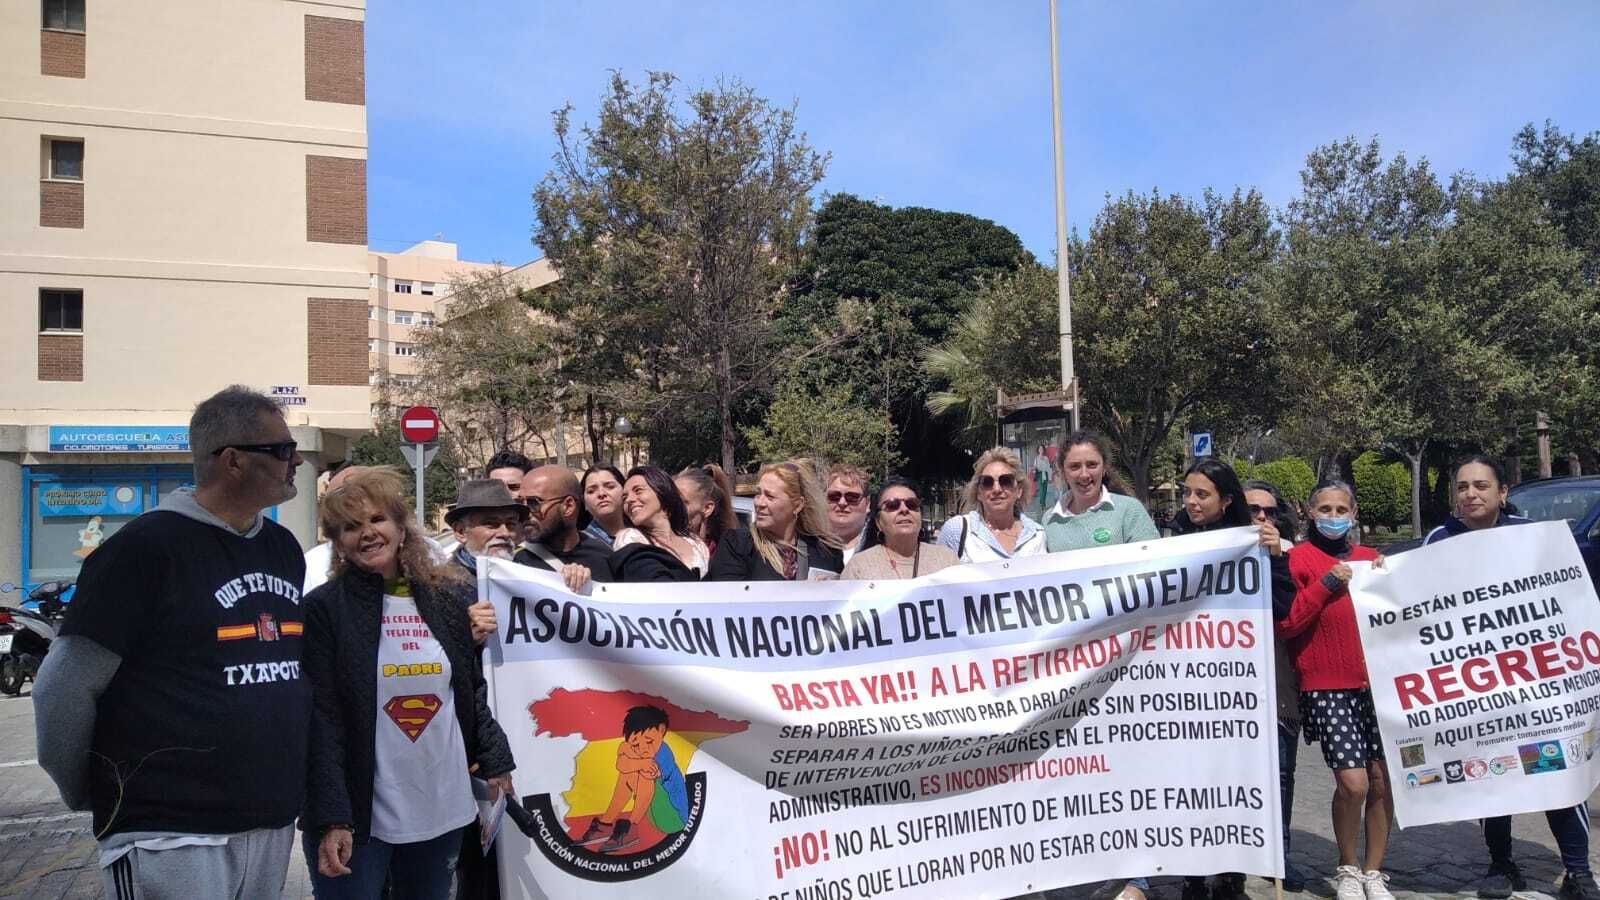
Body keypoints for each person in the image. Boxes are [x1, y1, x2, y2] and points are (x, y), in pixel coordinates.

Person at [34, 386, 310, 898]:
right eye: (281, 450)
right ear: (232, 461)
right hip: (170, 831)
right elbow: (63, 688)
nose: (295, 461)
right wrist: (97, 790)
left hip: (267, 821)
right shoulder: (142, 550)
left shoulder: (282, 547)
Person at [302, 468, 515, 900]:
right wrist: (332, 816)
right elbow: (320, 719)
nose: (367, 533)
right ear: (337, 542)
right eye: (351, 526)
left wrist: (495, 758)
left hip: (439, 807)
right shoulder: (323, 609)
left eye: (377, 519)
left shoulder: (445, 597)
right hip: (360, 819)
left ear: (401, 527)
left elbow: (469, 689)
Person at [1422, 456, 1596, 900]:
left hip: (1535, 683)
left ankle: (1578, 871)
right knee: (1491, 775)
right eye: (1462, 486)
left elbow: (1566, 598)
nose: (1471, 494)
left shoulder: (1534, 536)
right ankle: (1500, 864)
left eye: (1481, 485)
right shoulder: (1439, 540)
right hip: (1479, 686)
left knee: (1557, 771)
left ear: (1503, 493)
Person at [1277, 480, 1391, 900]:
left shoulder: (1370, 559)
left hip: (1377, 686)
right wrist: (1325, 584)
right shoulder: (1298, 560)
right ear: (1310, 512)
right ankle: (1347, 865)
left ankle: (1374, 871)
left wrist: (1388, 576)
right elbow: (1288, 623)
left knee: (1380, 781)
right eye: (1325, 509)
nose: (1333, 516)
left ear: (1354, 513)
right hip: (1326, 687)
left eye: (1341, 509)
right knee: (1353, 782)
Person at [1244, 479, 1307, 894]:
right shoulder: (1210, 552)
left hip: (1278, 681)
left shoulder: (1287, 555)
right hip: (1228, 687)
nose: (1262, 517)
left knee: (1281, 772)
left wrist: (1276, 559)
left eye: (1269, 511)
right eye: (1253, 510)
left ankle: (1278, 856)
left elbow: (1287, 610)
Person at [708, 462, 844, 581]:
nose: (759, 503)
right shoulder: (737, 545)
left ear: (797, 505)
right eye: (758, 493)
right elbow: (730, 598)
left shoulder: (826, 552)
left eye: (770, 496)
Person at [1042, 430, 1159, 552]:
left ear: (1104, 468)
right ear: (1063, 472)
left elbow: (1153, 558)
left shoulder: (1129, 510)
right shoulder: (1049, 521)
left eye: (1092, 464)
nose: (1084, 475)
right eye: (1075, 466)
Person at [936, 448, 1047, 562]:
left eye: (1006, 481)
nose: (996, 489)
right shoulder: (957, 531)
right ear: (978, 493)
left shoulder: (1037, 535)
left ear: (1019, 491)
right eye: (987, 482)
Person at [841, 477, 960, 580]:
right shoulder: (858, 568)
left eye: (912, 504)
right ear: (878, 522)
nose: (904, 510)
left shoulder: (947, 561)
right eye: (892, 505)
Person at [516, 465, 615, 582]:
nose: (525, 512)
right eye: (520, 503)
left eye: (534, 503)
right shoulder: (515, 563)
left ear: (568, 506)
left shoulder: (606, 556)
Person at [613, 466, 711, 576]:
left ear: (661, 491)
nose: (629, 500)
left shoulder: (697, 544)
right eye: (624, 497)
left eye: (638, 491)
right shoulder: (630, 538)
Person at [674, 464, 737, 557]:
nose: (672, 507)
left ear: (707, 508)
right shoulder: (658, 550)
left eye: (682, 502)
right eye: (670, 499)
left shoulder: (725, 557)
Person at [824, 463, 871, 562]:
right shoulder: (807, 547)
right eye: (834, 496)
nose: (842, 503)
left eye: (852, 497)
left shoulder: (883, 546)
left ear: (867, 504)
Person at [581, 465, 626, 544]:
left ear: (624, 490)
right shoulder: (581, 545)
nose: (601, 493)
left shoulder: (644, 533)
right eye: (591, 491)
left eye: (610, 487)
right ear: (584, 502)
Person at [1032, 443, 1053, 512]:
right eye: (1039, 449)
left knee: (1045, 490)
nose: (1041, 450)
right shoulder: (1036, 458)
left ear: (1043, 450)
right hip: (1040, 475)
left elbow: (1048, 468)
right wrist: (1034, 469)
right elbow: (1034, 468)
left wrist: (1050, 478)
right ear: (1038, 450)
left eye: (1042, 449)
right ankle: (1042, 505)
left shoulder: (1046, 458)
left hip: (1045, 474)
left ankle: (1043, 504)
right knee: (1041, 490)